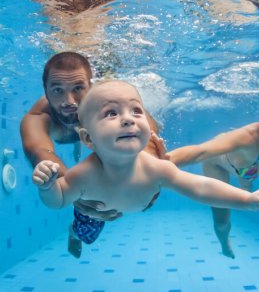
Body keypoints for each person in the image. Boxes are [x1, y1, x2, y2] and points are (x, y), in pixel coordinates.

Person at [32, 80, 259, 249]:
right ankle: (73, 234)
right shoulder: (83, 175)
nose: (128, 119)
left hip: (128, 203)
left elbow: (201, 187)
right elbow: (59, 200)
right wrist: (48, 187)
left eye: (136, 111)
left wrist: (246, 199)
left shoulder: (156, 168)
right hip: (96, 212)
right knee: (87, 233)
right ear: (87, 138)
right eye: (111, 113)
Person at [20, 52, 166, 258]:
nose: (68, 101)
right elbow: (40, 151)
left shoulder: (109, 103)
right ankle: (75, 233)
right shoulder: (38, 117)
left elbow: (147, 134)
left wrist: (150, 177)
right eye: (57, 90)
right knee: (89, 224)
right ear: (45, 91)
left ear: (91, 86)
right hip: (88, 140)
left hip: (101, 145)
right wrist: (75, 190)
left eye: (78, 88)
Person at [166, 75, 259, 258]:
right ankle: (224, 243)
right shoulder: (248, 138)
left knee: (249, 173)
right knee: (221, 219)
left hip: (250, 166)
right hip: (219, 163)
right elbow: (200, 152)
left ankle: (246, 183)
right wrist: (157, 162)